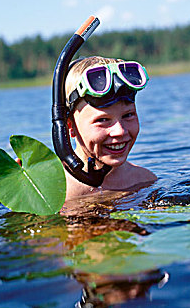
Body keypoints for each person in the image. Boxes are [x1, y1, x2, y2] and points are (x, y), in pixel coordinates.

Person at [64, 56, 157, 200]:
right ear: (71, 126)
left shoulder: (145, 180)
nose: (120, 131)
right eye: (102, 120)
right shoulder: (56, 191)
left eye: (128, 115)